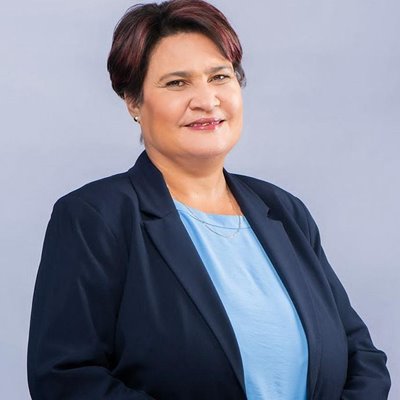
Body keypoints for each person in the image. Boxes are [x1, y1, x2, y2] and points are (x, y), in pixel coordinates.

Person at [27, 0, 391, 399]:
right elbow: (65, 377)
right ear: (133, 101)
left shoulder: (285, 212)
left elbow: (362, 357)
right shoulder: (95, 218)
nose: (206, 100)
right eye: (176, 83)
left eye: (219, 76)